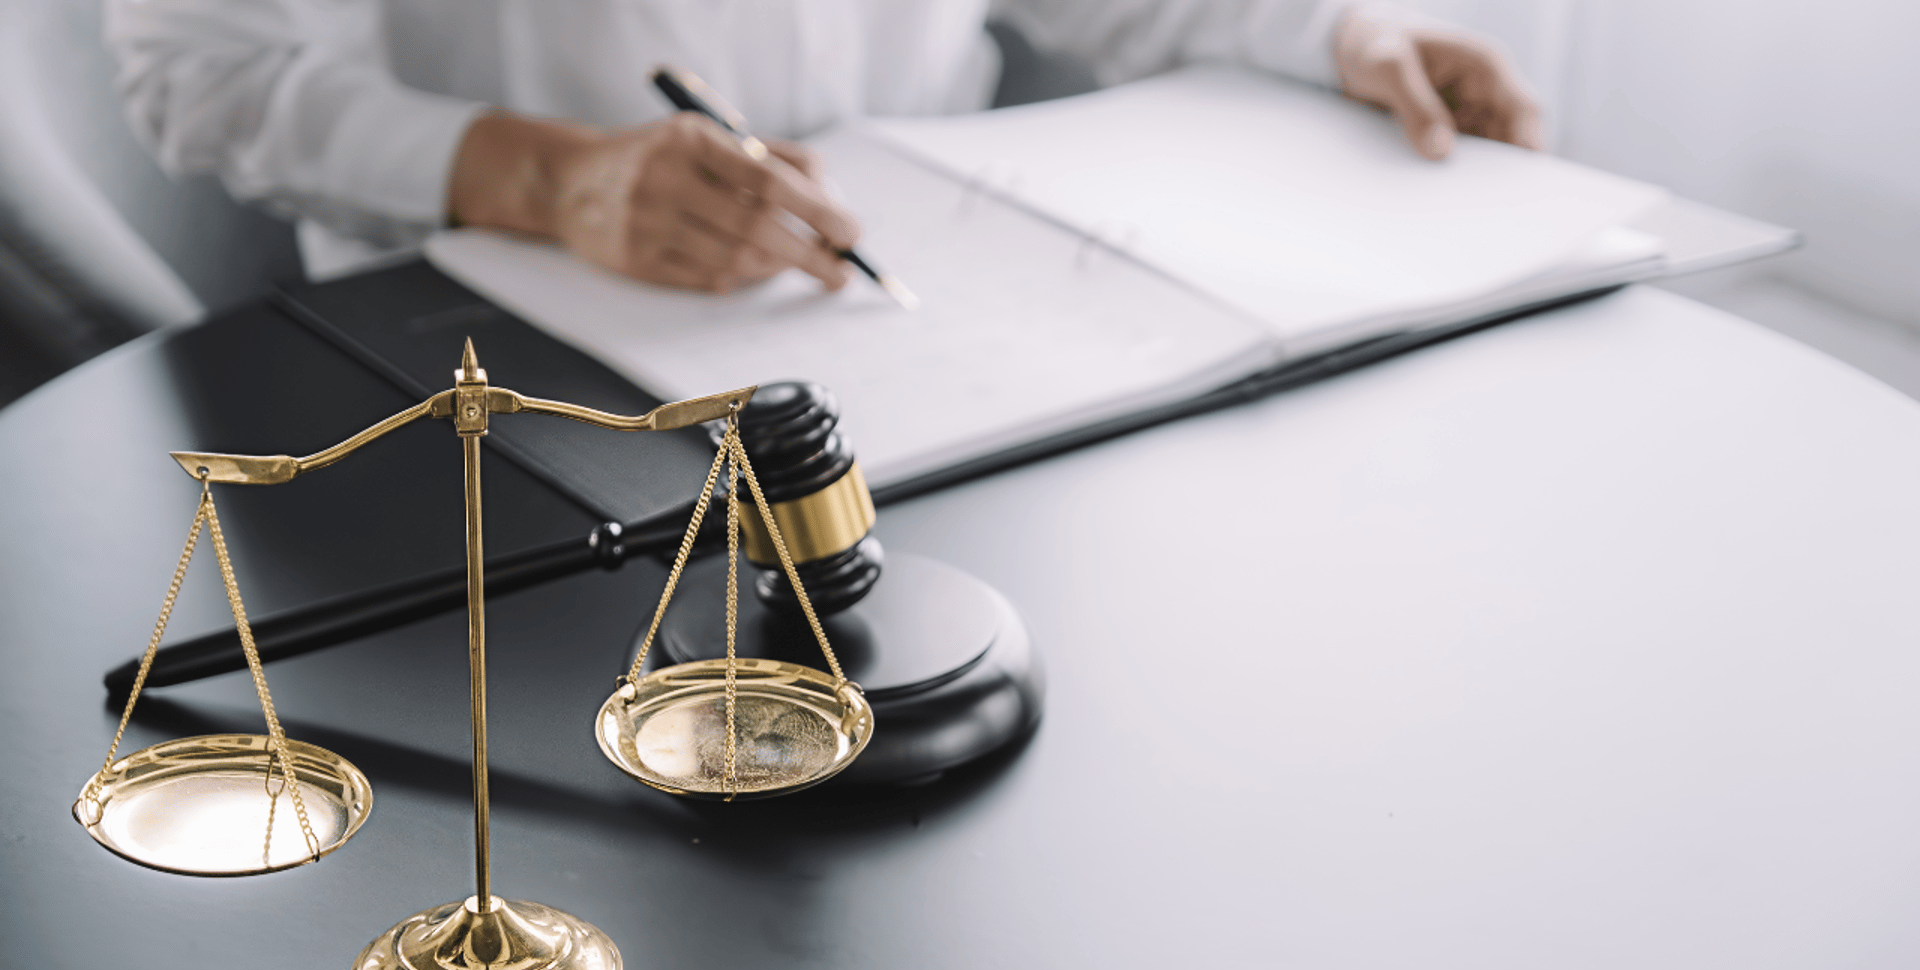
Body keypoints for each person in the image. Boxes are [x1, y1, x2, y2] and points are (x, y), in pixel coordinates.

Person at [105, 0, 1542, 290]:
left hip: (912, 320)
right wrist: (556, 178)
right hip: (494, 364)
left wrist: (1339, 31)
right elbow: (192, 67)